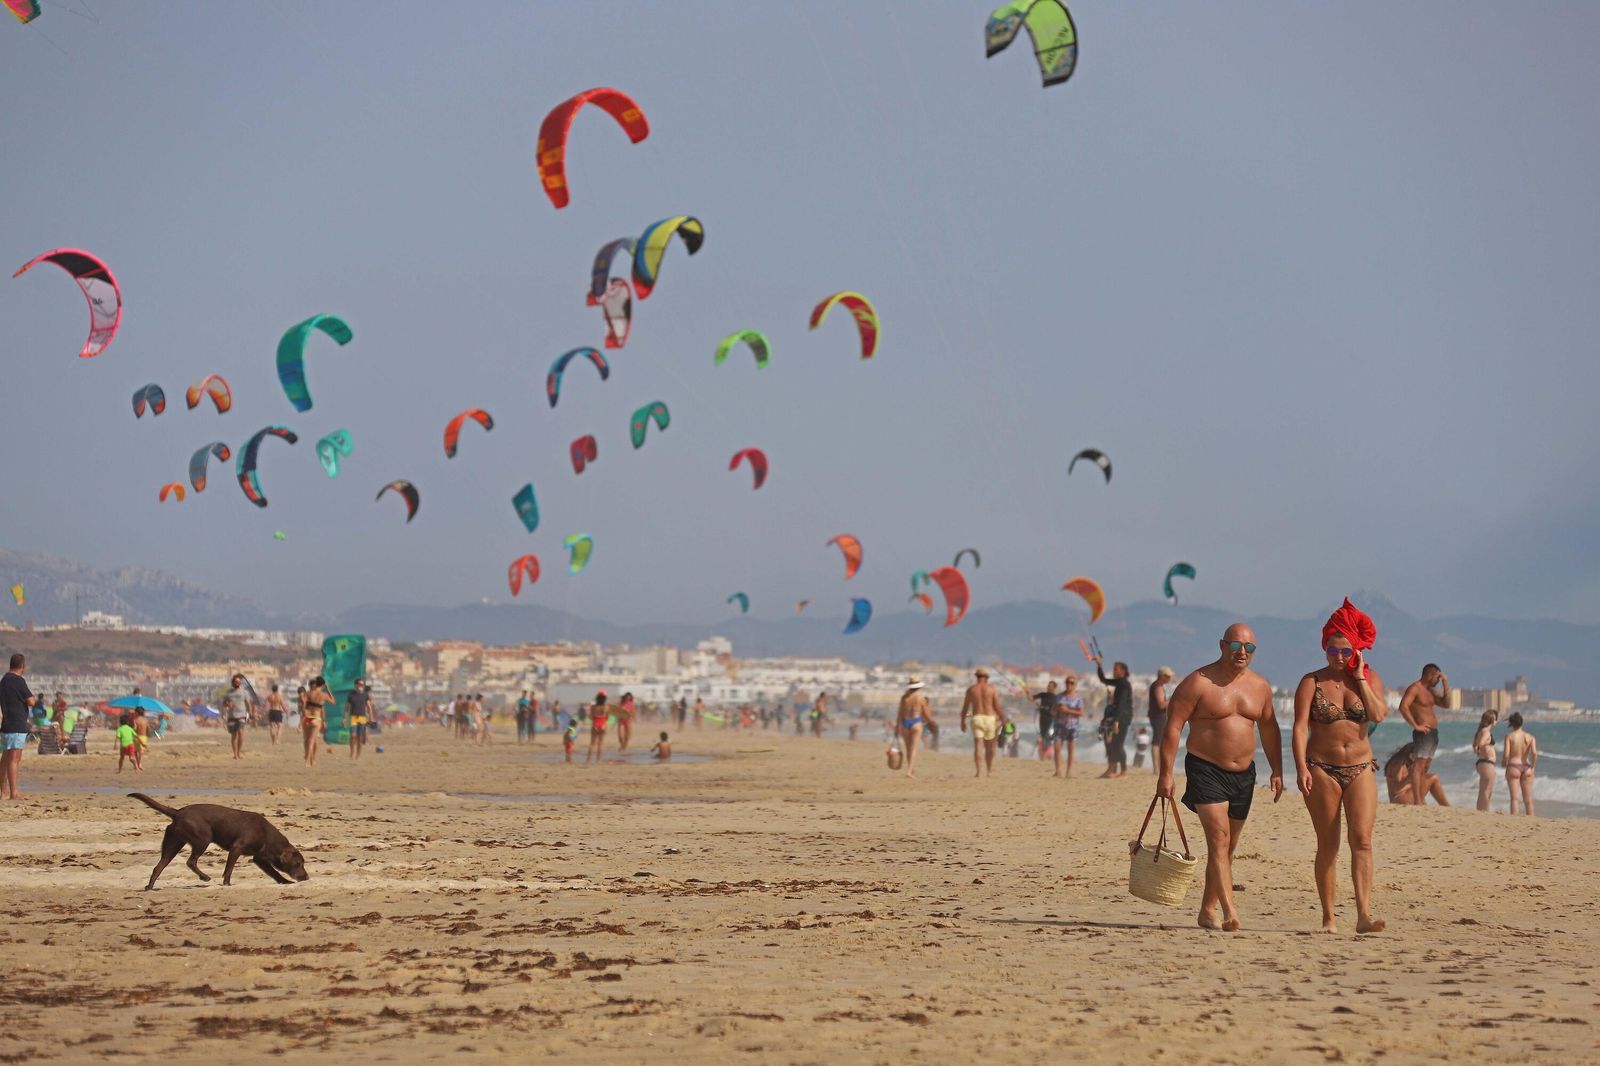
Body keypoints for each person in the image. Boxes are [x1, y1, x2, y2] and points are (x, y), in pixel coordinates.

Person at [1157, 624, 1284, 932]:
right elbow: (1173, 727)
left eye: (1249, 648)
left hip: (1244, 774)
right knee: (1219, 840)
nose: (1242, 652)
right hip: (1205, 768)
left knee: (1228, 848)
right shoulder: (1198, 683)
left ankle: (1207, 909)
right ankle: (1230, 912)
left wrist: (1278, 769)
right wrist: (1165, 774)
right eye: (1236, 645)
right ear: (1222, 645)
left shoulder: (1260, 687)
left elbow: (1269, 728)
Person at [1292, 597, 1389, 934]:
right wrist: (1300, 769)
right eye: (1333, 650)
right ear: (1325, 648)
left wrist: (1360, 677)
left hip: (1361, 767)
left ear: (1356, 651)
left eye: (1346, 651)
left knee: (1362, 840)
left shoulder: (1369, 678)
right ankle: (1329, 916)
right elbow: (1300, 727)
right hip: (1321, 767)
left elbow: (1378, 714)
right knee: (1328, 843)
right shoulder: (1311, 682)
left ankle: (1363, 914)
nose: (1338, 657)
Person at [1398, 663, 1449, 807]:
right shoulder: (1415, 688)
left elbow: (1447, 704)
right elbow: (1403, 706)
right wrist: (1415, 725)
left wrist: (1445, 682)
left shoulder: (1430, 692)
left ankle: (1419, 798)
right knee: (1418, 766)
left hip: (1433, 733)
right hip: (1423, 732)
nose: (1438, 680)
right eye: (1437, 677)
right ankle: (1419, 801)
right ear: (1429, 675)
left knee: (1425, 767)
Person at [959, 667, 1007, 778]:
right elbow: (997, 707)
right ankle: (989, 770)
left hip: (977, 718)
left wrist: (962, 722)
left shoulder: (971, 689)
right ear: (986, 678)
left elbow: (965, 708)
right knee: (990, 747)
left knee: (978, 746)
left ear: (976, 677)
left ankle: (978, 772)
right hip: (990, 718)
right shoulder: (992, 689)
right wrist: (1003, 719)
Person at [1095, 656, 1133, 778]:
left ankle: (1124, 771)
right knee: (1110, 743)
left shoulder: (1124, 684)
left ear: (1123, 671)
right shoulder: (1119, 683)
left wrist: (1116, 721)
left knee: (1118, 744)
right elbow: (1103, 680)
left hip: (1122, 718)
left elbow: (1122, 704)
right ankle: (1111, 769)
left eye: (1116, 669)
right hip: (1117, 716)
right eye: (1114, 669)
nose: (1114, 671)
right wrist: (1099, 665)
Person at [1383, 743, 1449, 806]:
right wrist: (1410, 777)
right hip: (1398, 798)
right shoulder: (1397, 764)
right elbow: (1396, 790)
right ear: (1410, 754)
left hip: (1405, 795)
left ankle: (1445, 806)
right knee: (1433, 778)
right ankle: (1446, 806)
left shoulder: (1407, 763)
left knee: (1430, 777)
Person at [1502, 712, 1537, 816]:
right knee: (1528, 799)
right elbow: (1534, 753)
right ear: (1522, 723)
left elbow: (1506, 755)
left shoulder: (1509, 736)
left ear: (1511, 724)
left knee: (1514, 798)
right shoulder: (1530, 737)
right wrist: (1533, 766)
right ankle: (1531, 820)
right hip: (1527, 767)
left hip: (1513, 766)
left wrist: (1504, 763)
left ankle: (1514, 820)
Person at [896, 677, 931, 778]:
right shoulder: (921, 698)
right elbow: (927, 715)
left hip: (905, 722)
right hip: (916, 722)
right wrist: (930, 723)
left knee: (908, 748)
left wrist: (897, 727)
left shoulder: (904, 697)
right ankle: (909, 771)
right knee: (914, 748)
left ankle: (911, 770)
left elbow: (900, 713)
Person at [1053, 675, 1085, 777]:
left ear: (1075, 685)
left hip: (1073, 726)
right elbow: (1052, 710)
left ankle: (1069, 771)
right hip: (1059, 725)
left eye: (1072, 683)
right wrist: (1057, 709)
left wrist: (1068, 710)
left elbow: (1081, 713)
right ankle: (1058, 770)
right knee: (1057, 748)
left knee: (1070, 750)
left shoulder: (1078, 698)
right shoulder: (1059, 697)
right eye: (1067, 682)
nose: (1069, 685)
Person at [1472, 710, 1498, 812]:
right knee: (1488, 791)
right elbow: (1481, 744)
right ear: (1492, 720)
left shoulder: (1480, 731)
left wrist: (1478, 751)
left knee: (1483, 790)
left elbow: (1474, 745)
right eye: (1495, 719)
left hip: (1481, 762)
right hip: (1487, 763)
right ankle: (1486, 811)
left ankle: (1480, 811)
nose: (1497, 721)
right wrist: (1485, 750)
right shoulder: (1486, 732)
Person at [1149, 667, 1174, 768]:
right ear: (1162, 676)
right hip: (1158, 716)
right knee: (1157, 742)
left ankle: (1157, 767)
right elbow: (1161, 705)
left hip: (1156, 716)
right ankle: (1156, 768)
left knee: (1158, 741)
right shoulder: (1158, 686)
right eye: (1168, 676)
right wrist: (1171, 700)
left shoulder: (1157, 685)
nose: (1170, 678)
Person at [302, 678, 331, 767]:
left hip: (308, 718)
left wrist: (324, 721)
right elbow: (330, 702)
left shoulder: (308, 694)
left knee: (311, 741)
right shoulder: (318, 695)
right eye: (312, 686)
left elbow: (322, 709)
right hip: (315, 719)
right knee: (310, 740)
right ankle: (309, 759)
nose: (313, 687)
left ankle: (311, 758)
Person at [1031, 680, 1059, 761]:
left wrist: (1052, 711)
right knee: (1043, 736)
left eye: (1050, 686)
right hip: (1042, 718)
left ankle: (1049, 754)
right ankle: (1044, 755)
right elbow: (1032, 698)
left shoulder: (1056, 698)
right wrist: (1027, 691)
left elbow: (1057, 710)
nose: (1048, 687)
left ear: (1054, 688)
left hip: (1051, 719)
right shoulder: (1043, 695)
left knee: (1048, 736)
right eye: (1048, 685)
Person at [346, 678, 371, 761]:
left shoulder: (365, 695)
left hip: (362, 718)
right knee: (353, 736)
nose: (361, 686)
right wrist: (344, 718)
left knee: (359, 738)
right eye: (360, 684)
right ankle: (352, 752)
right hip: (353, 717)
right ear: (356, 685)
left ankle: (358, 755)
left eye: (362, 685)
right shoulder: (351, 695)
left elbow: (369, 707)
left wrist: (371, 718)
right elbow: (347, 707)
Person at [585, 691, 610, 764]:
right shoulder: (606, 707)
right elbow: (607, 717)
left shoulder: (593, 707)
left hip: (595, 723)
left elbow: (591, 717)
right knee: (601, 743)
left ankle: (588, 759)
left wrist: (595, 719)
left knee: (592, 743)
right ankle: (599, 760)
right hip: (603, 724)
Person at [224, 692, 250, 759]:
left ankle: (238, 753)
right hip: (232, 716)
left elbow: (248, 703)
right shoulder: (229, 693)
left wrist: (250, 714)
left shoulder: (243, 693)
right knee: (234, 735)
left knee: (241, 733)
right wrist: (228, 704)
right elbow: (224, 704)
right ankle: (235, 754)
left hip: (241, 715)